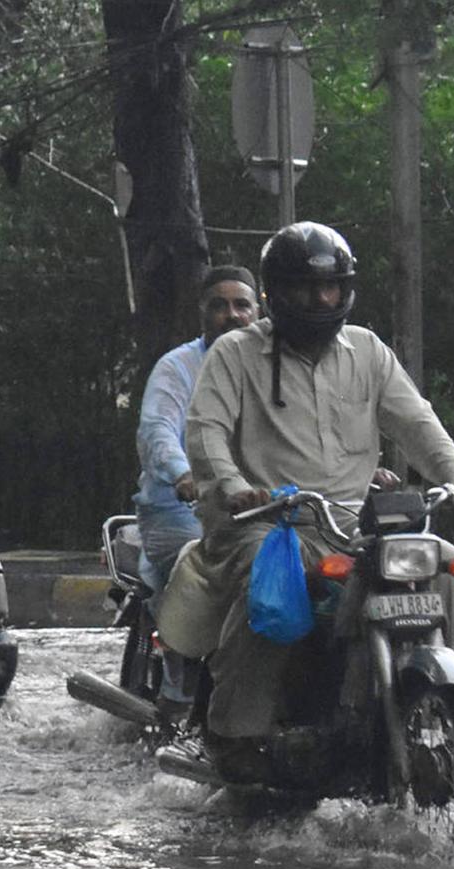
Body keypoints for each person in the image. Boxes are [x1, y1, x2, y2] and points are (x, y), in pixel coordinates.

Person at [168, 221, 454, 779]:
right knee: (273, 583)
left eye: (330, 287)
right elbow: (206, 432)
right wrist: (233, 486)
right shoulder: (235, 353)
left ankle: (419, 692)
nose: (321, 300)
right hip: (266, 519)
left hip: (351, 521)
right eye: (306, 289)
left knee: (445, 563)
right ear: (277, 293)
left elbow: (416, 422)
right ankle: (235, 732)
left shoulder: (367, 350)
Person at [133, 267, 259, 719]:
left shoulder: (275, 366)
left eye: (242, 305)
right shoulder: (177, 367)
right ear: (202, 313)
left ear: (259, 311)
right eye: (219, 306)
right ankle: (180, 688)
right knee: (200, 568)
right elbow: (157, 430)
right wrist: (184, 474)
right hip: (182, 508)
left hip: (261, 507)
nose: (232, 315)